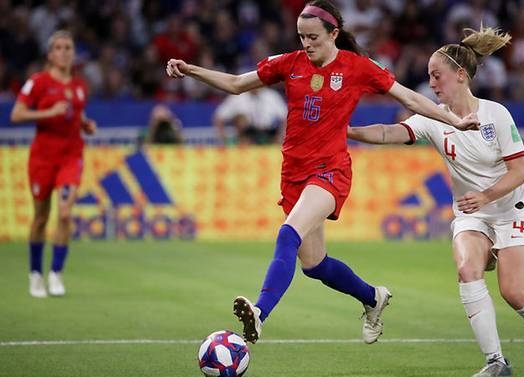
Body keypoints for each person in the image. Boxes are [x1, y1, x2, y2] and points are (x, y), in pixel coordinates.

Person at [165, 0, 478, 345]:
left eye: (313, 37)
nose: (307, 44)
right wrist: (191, 70)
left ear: (333, 34)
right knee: (314, 265)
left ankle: (259, 311)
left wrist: (454, 120)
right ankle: (373, 297)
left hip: (330, 171)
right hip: (293, 173)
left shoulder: (358, 67)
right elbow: (238, 84)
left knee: (288, 234)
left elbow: (410, 99)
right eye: (302, 37)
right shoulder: (290, 63)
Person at [348, 26, 524, 377]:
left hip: (513, 212)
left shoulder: (495, 115)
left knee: (514, 292)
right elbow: (387, 132)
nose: (432, 83)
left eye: (436, 75)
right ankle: (496, 363)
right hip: (474, 218)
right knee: (467, 269)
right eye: (428, 77)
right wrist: (345, 130)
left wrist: (485, 196)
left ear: (460, 75)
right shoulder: (432, 119)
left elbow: (519, 172)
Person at [10, 30, 97, 298]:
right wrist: (49, 112)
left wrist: (85, 123)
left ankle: (56, 273)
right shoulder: (37, 82)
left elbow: (75, 113)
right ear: (50, 54)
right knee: (40, 217)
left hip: (71, 157)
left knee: (66, 213)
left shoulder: (80, 86)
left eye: (68, 47)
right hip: (43, 158)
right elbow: (16, 114)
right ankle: (36, 273)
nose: (64, 52)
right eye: (58, 48)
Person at [212, 87, 287, 146]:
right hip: (246, 135)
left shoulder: (271, 96)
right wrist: (224, 139)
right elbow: (218, 117)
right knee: (241, 118)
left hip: (269, 133)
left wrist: (282, 136)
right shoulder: (237, 97)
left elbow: (286, 117)